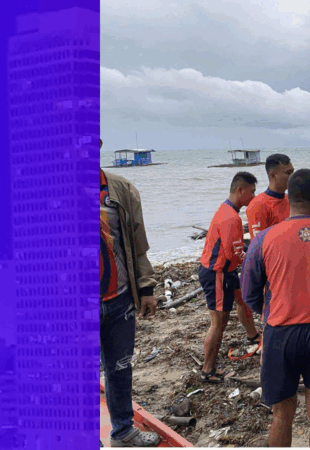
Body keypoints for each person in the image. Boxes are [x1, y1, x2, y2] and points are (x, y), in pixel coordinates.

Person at [241, 169, 310, 447]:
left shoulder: (263, 239)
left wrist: (271, 310)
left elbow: (249, 293)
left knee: (281, 415)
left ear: (289, 198)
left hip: (280, 331)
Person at [100, 138, 161, 447]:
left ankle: (123, 432)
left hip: (119, 298)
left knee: (120, 368)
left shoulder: (121, 190)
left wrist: (146, 288)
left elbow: (138, 243)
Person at [197, 172, 259, 383]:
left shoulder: (227, 210)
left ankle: (253, 335)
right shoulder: (231, 218)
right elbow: (235, 254)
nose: (253, 197)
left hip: (226, 270)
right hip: (217, 272)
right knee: (219, 323)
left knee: (242, 299)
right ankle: (208, 370)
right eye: (252, 192)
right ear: (240, 190)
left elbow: (234, 250)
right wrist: (256, 260)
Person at [246, 153, 294, 237]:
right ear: (273, 176)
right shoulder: (258, 205)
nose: (293, 177)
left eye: (293, 172)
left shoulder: (290, 200)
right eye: (288, 173)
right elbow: (258, 242)